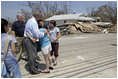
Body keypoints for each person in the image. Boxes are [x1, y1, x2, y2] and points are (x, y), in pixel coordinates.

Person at [24, 9, 47, 74]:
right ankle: (33, 70)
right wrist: (44, 33)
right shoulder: (33, 22)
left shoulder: (30, 20)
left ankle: (32, 66)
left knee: (31, 54)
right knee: (32, 55)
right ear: (37, 15)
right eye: (40, 15)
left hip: (29, 39)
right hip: (30, 40)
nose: (41, 16)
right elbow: (37, 34)